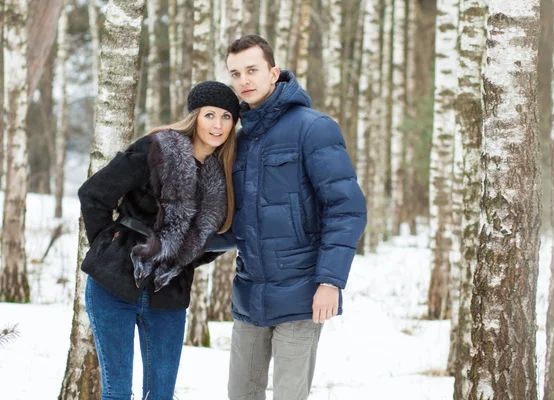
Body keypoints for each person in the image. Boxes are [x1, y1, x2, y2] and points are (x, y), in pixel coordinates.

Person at [219, 34, 367, 400]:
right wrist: (171, 246)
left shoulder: (313, 128)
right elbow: (235, 220)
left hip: (302, 294)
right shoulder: (239, 139)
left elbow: (346, 208)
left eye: (251, 70)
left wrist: (330, 281)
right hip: (250, 292)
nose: (244, 81)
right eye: (235, 74)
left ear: (274, 72)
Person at [78, 81, 239, 400]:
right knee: (117, 393)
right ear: (195, 116)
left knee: (160, 395)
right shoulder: (157, 149)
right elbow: (94, 193)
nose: (217, 125)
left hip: (169, 295)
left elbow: (210, 239)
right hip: (114, 288)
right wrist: (111, 249)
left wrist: (184, 256)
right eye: (209, 115)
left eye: (226, 117)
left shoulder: (222, 176)